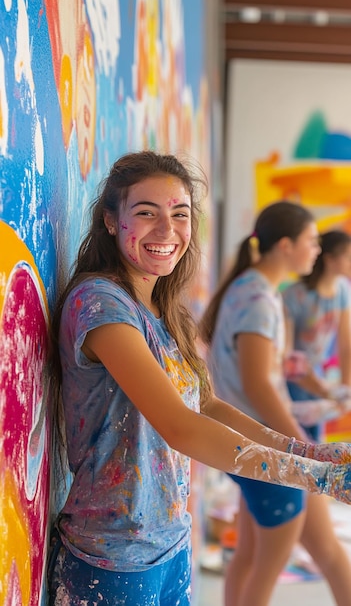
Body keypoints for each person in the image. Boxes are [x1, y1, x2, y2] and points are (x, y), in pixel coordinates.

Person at [48, 153, 351, 606]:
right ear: (111, 221)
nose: (167, 230)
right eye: (146, 213)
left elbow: (205, 404)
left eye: (180, 214)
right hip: (112, 559)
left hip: (171, 544)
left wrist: (308, 450)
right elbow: (181, 426)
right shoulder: (100, 304)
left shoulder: (162, 308)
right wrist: (318, 477)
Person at [199, 202, 351, 606]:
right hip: (263, 449)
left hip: (250, 446)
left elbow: (265, 372)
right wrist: (304, 448)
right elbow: (259, 386)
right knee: (294, 561)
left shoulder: (249, 287)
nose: (317, 251)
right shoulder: (260, 300)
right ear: (285, 246)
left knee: (251, 557)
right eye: (311, 242)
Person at [283, 229, 351, 441]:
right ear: (330, 259)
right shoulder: (294, 295)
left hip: (319, 378)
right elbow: (286, 358)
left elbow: (346, 343)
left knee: (316, 447)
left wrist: (345, 389)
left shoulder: (341, 289)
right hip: (293, 383)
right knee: (297, 445)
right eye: (348, 256)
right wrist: (328, 392)